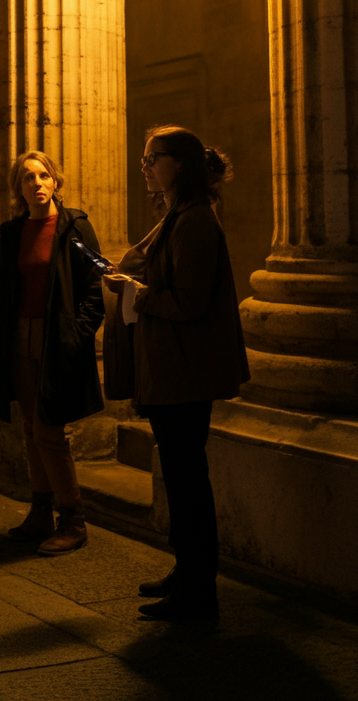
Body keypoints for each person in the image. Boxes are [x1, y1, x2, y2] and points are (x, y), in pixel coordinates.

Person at [103, 125, 249, 621]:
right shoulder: (178, 216)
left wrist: (134, 293)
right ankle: (185, 571)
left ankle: (198, 589)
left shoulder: (195, 222)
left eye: (152, 158)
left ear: (179, 164)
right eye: (144, 159)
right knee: (181, 477)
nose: (144, 166)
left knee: (189, 482)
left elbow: (189, 302)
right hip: (172, 367)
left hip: (185, 370)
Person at [0, 151, 105, 554]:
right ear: (18, 189)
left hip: (57, 338)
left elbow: (96, 285)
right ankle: (40, 512)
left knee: (48, 428)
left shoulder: (74, 225)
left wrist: (77, 335)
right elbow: (7, 288)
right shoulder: (12, 230)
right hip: (19, 336)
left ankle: (73, 520)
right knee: (28, 426)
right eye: (26, 178)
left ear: (55, 181)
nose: (36, 184)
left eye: (42, 176)